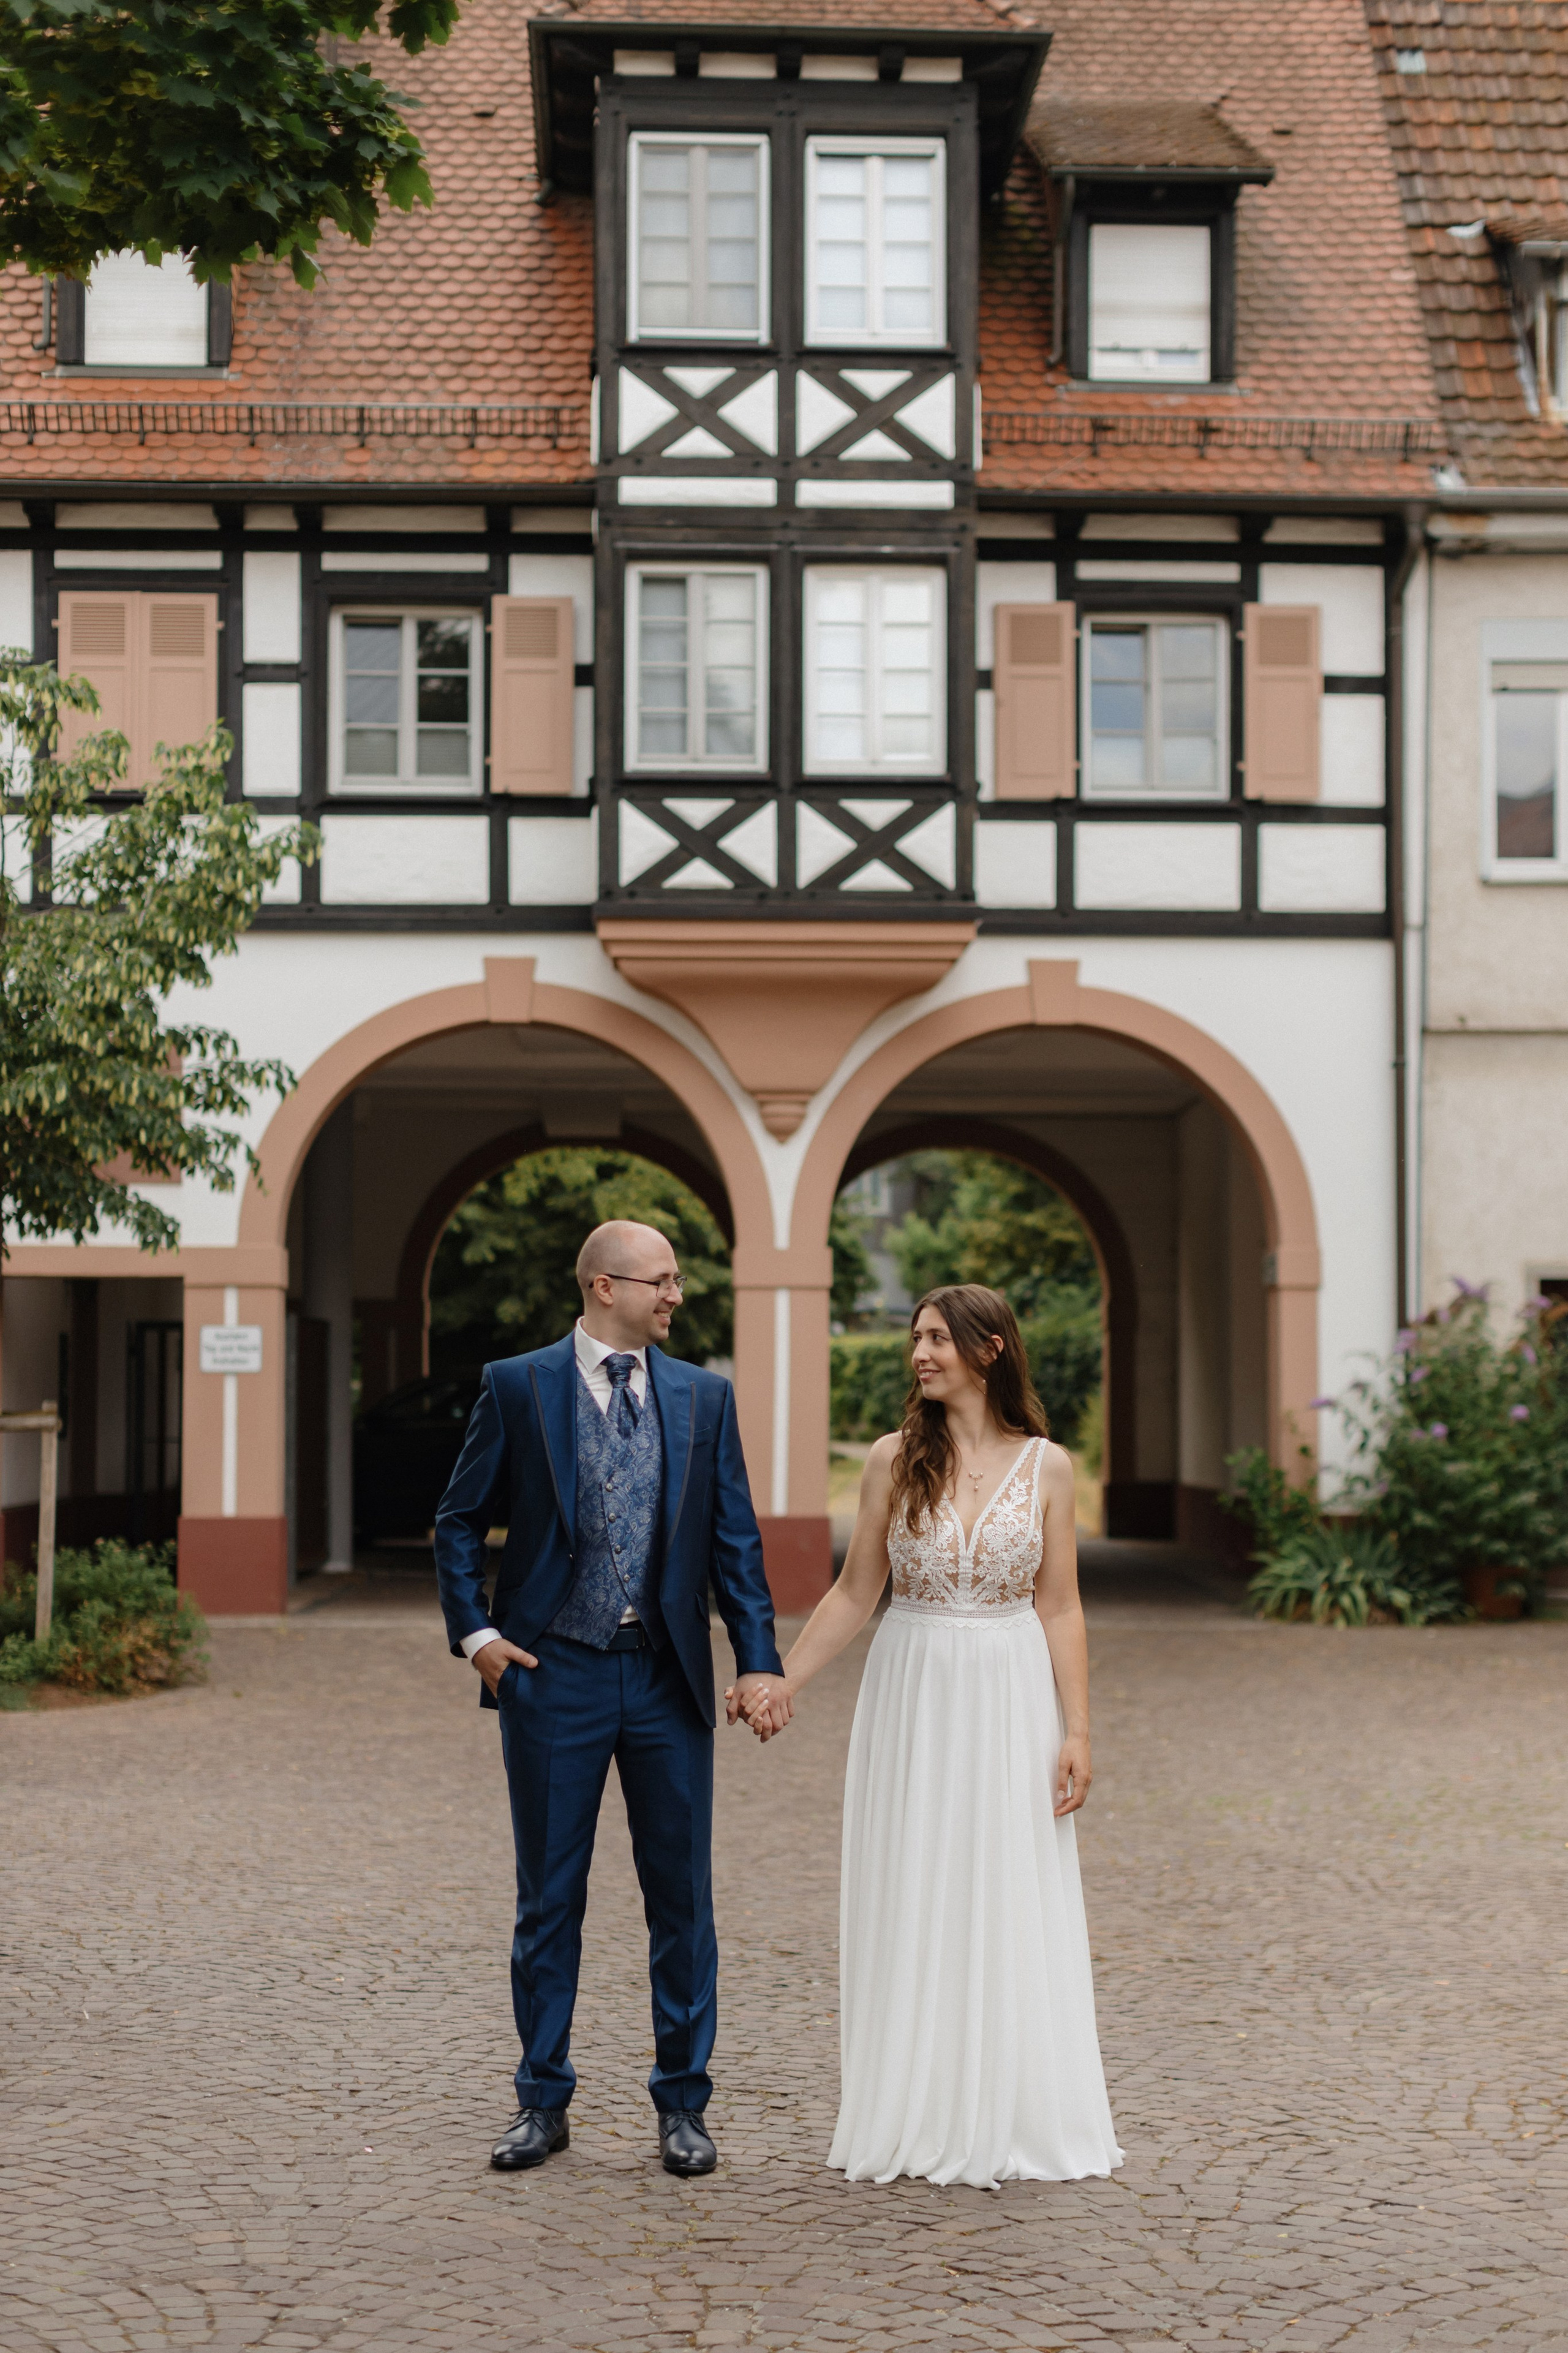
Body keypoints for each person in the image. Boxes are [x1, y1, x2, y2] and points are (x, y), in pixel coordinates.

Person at [733, 1282, 1123, 2190]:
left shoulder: (1049, 1468)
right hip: (912, 1693)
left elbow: (1060, 1605)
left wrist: (1079, 1730)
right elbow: (854, 1593)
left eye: (940, 1337)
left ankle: (1013, 2106)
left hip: (1011, 1690)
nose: (921, 1352)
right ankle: (916, 2104)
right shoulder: (890, 1459)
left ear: (990, 1349)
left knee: (1006, 1888)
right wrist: (778, 1679)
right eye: (916, 1337)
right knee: (918, 1885)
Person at [434, 1218, 787, 2180]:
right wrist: (479, 1636)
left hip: (668, 1678)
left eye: (675, 1280)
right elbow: (459, 1520)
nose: (676, 1294)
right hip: (554, 1675)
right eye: (661, 1280)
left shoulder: (704, 1398)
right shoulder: (518, 1385)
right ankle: (541, 2101)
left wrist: (758, 1660)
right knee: (550, 1897)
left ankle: (684, 2105)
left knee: (682, 1898)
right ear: (603, 1286)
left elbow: (736, 1547)